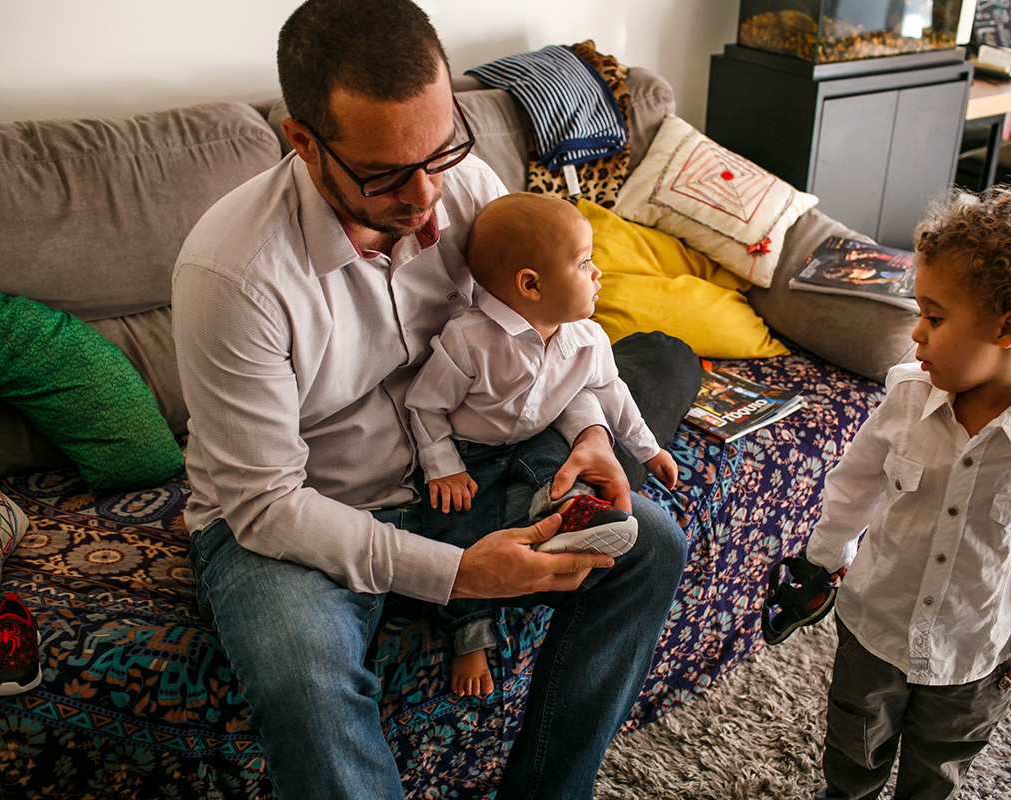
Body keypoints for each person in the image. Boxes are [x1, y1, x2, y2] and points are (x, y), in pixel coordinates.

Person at [170, 1, 689, 798]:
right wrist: (458, 574)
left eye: (439, 151)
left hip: (469, 464)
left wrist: (588, 431)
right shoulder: (233, 275)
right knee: (305, 679)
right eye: (384, 173)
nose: (425, 198)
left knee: (651, 542)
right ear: (302, 141)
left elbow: (545, 332)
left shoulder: (467, 186)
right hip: (294, 513)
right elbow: (266, 506)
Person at [801, 185, 1011, 800]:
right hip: (876, 625)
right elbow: (855, 481)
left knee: (940, 764)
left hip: (974, 649)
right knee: (854, 747)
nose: (916, 334)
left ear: (1009, 327)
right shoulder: (906, 396)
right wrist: (825, 554)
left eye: (934, 317)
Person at [405, 192, 679, 698]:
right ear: (530, 284)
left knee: (558, 468)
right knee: (456, 522)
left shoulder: (589, 338)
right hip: (472, 452)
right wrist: (442, 465)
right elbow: (425, 406)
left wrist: (647, 449)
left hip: (538, 440)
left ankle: (569, 513)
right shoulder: (471, 340)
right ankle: (470, 635)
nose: (599, 274)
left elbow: (608, 392)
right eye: (585, 263)